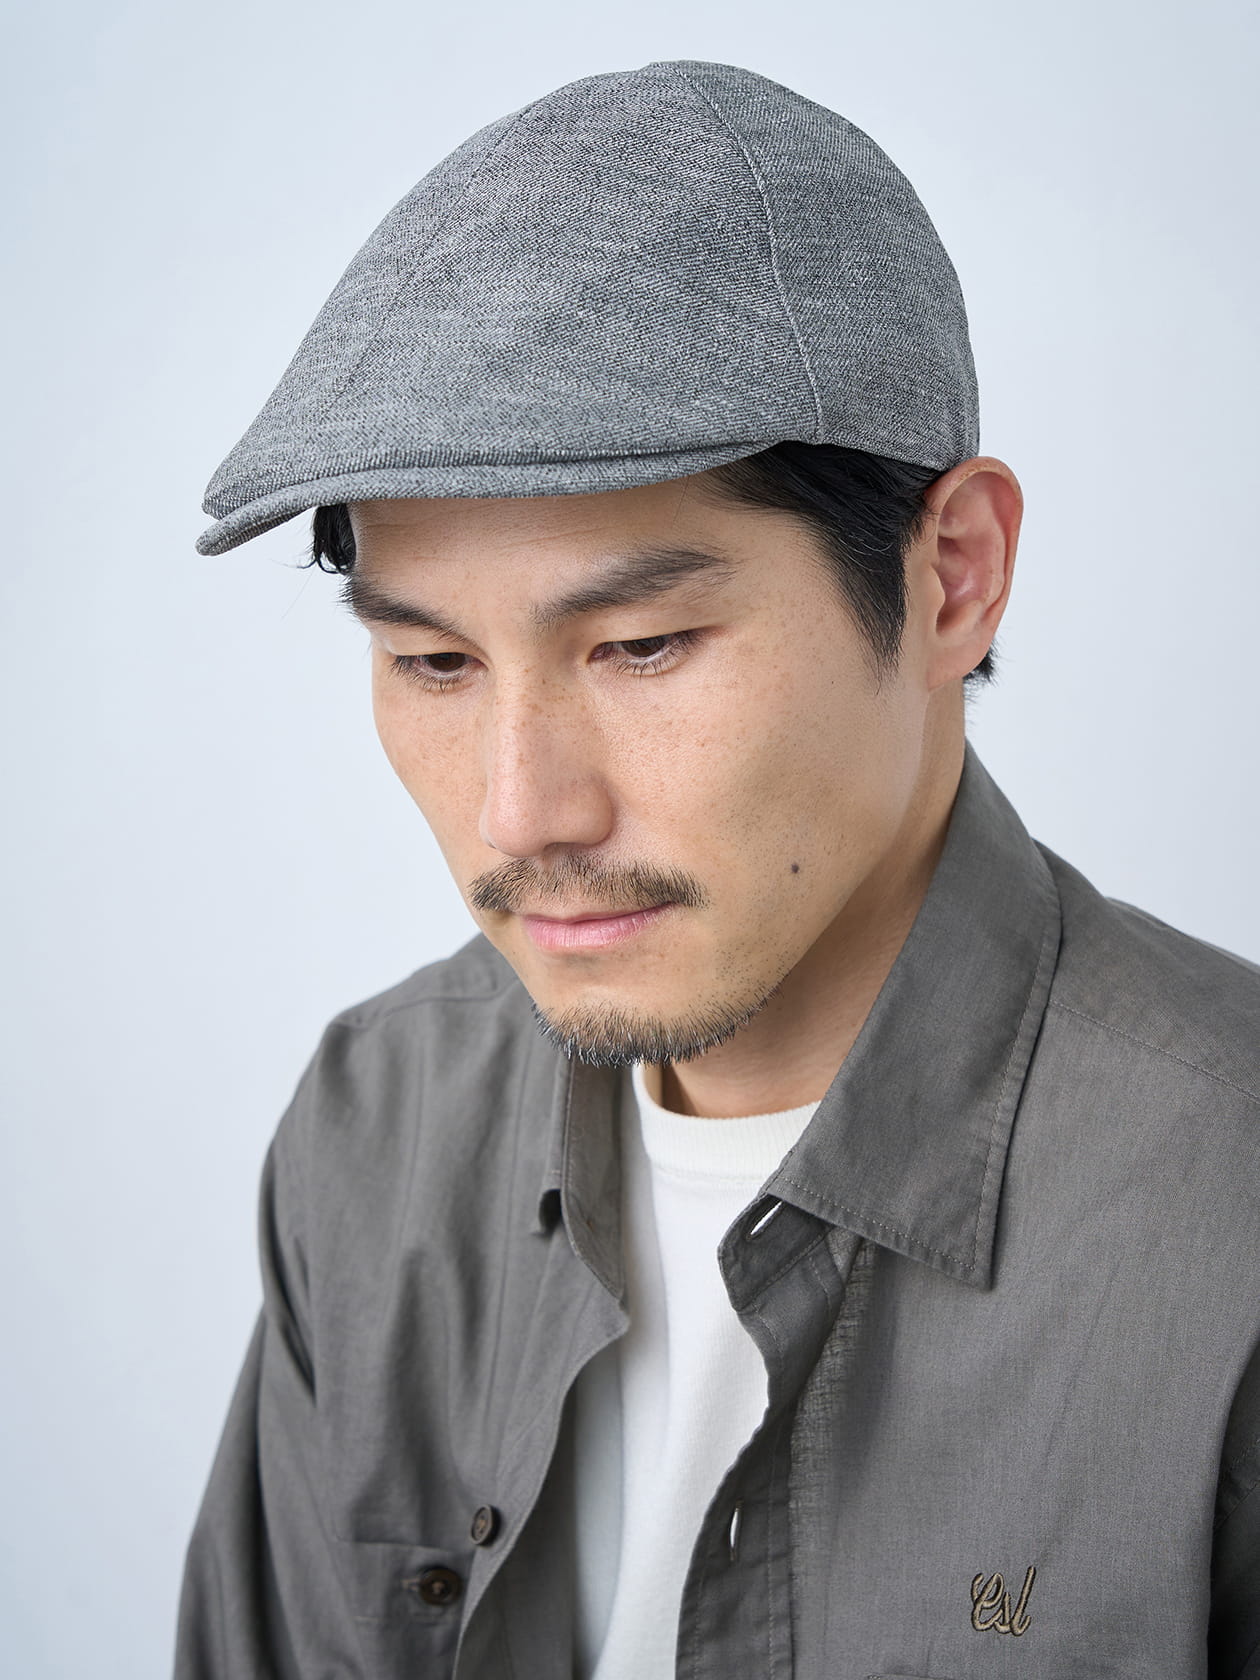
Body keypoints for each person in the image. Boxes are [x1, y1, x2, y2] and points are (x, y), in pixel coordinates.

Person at [174, 58, 1260, 1680]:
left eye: (641, 646)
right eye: (434, 664)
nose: (523, 814)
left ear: (955, 577)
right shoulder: (375, 1130)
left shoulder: (1226, 1219)